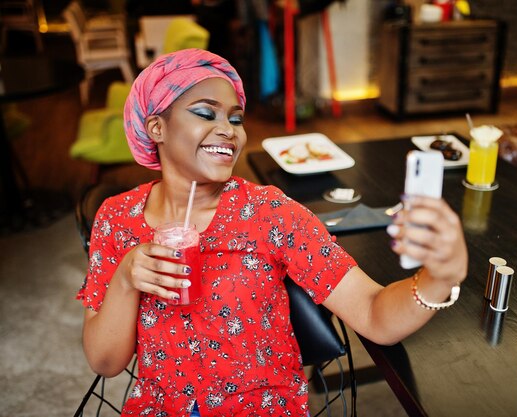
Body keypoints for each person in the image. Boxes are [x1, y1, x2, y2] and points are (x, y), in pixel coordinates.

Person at [77, 48, 468, 416]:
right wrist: (127, 280)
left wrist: (439, 278)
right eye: (205, 113)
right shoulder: (117, 219)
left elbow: (373, 314)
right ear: (156, 127)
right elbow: (106, 362)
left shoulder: (270, 213)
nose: (227, 130)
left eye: (235, 118)